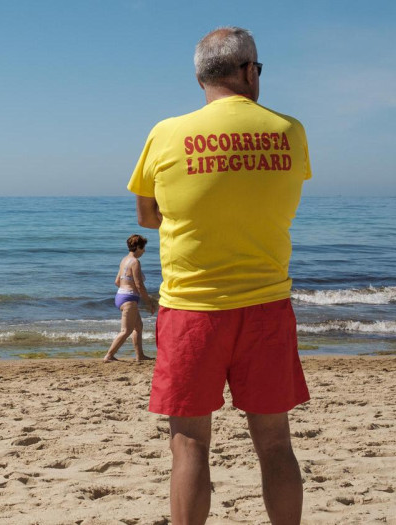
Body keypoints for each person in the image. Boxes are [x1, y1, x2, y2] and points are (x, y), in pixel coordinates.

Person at [127, 27, 311, 524]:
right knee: (275, 444)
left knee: (188, 444)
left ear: (200, 76)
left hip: (192, 310)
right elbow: (275, 198)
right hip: (267, 306)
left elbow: (148, 216)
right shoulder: (288, 130)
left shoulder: (165, 133)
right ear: (250, 71)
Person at [103, 234, 155, 362]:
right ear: (138, 247)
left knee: (138, 326)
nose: (144, 251)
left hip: (121, 295)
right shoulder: (135, 262)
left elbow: (117, 281)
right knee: (126, 330)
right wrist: (149, 302)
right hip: (129, 299)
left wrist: (127, 285)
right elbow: (139, 284)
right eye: (143, 248)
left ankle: (140, 356)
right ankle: (109, 355)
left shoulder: (124, 260)